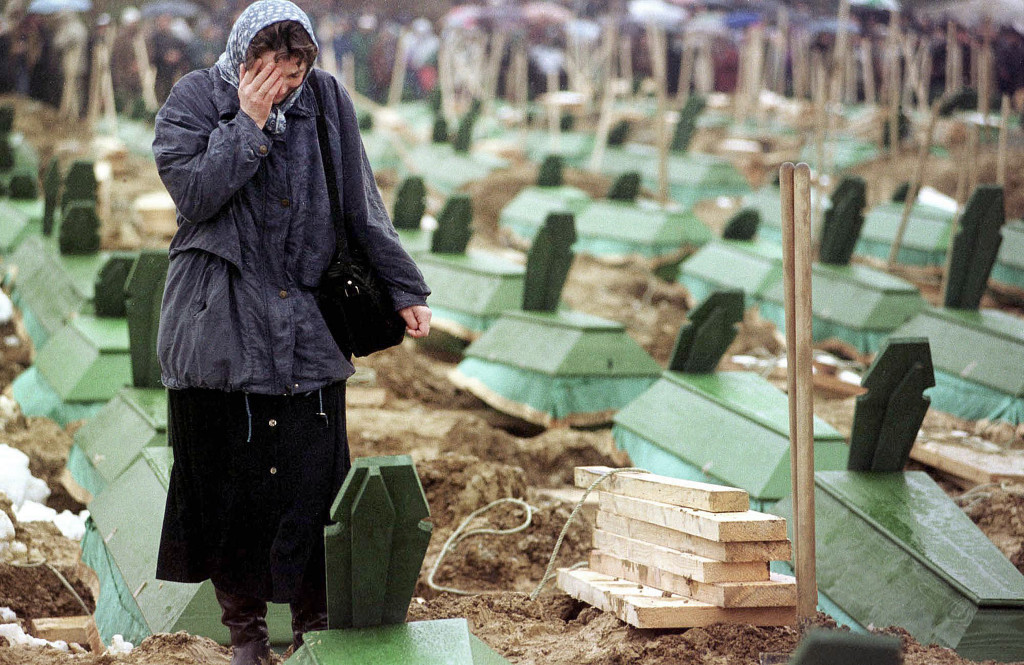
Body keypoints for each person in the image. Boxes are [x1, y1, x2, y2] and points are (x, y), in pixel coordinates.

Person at [151, 2, 431, 663]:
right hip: (218, 322)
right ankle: (246, 634)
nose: (285, 84)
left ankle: (313, 627)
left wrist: (405, 287)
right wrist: (247, 125)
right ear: (244, 59)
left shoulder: (327, 101)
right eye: (270, 69)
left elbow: (361, 201)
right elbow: (193, 195)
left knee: (315, 483)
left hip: (306, 322)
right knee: (229, 490)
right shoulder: (194, 96)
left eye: (296, 70)